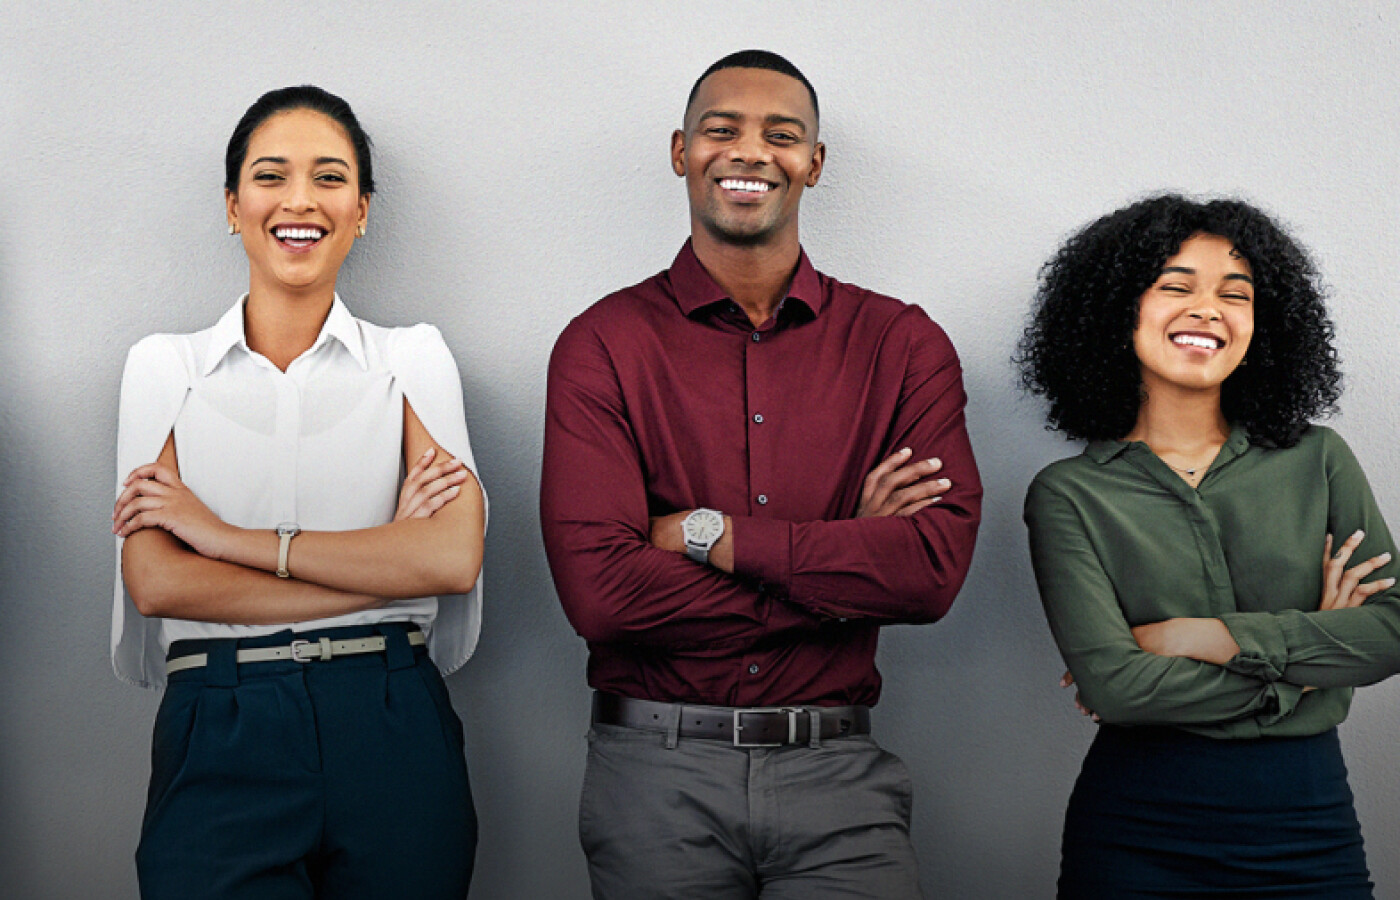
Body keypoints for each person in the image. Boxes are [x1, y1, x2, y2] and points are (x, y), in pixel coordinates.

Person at [540, 50, 981, 898]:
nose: (750, 152)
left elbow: (928, 577)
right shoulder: (602, 344)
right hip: (653, 778)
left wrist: (712, 537)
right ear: (681, 151)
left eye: (781, 135)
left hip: (840, 777)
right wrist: (844, 557)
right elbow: (600, 596)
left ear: (814, 164)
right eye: (721, 130)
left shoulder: (902, 345)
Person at [111, 85, 485, 899]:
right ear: (233, 204)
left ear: (361, 210)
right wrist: (380, 564)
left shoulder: (412, 359)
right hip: (221, 718)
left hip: (390, 720)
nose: (299, 201)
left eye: (330, 178)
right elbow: (159, 582)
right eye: (271, 175)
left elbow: (451, 558)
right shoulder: (162, 368)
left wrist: (225, 537)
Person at [1019, 194, 1400, 898]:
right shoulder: (1069, 495)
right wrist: (1308, 670)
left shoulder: (1320, 460)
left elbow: (1391, 631)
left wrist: (1199, 636)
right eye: (1175, 287)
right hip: (1137, 830)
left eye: (1236, 293)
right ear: (1116, 309)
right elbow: (1118, 688)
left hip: (1309, 825)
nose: (1208, 309)